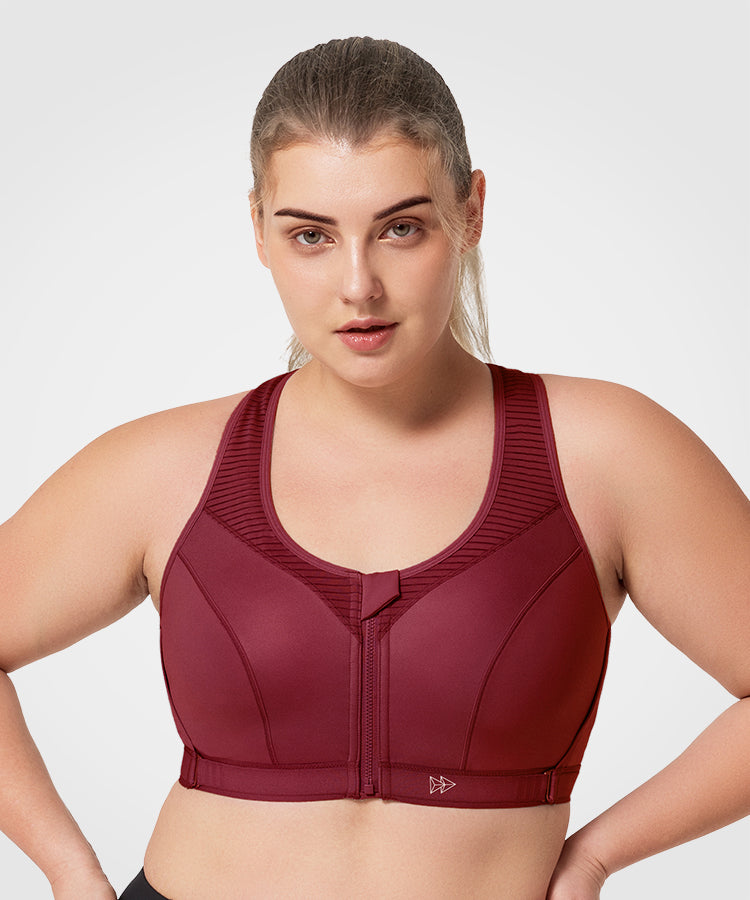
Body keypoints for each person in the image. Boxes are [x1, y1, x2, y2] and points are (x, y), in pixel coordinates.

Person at [0, 35, 748, 900]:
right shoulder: (162, 469)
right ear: (258, 231)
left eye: (400, 228)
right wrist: (69, 872)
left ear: (471, 211)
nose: (359, 285)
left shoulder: (607, 453)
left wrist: (598, 855)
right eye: (311, 235)